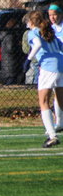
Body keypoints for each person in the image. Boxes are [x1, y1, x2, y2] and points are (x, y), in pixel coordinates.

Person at [24, 10, 63, 148]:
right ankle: (58, 126)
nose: (27, 24)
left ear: (32, 22)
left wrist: (28, 60)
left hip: (48, 67)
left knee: (44, 101)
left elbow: (38, 45)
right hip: (60, 65)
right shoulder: (50, 32)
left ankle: (52, 136)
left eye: (28, 21)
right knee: (60, 101)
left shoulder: (33, 32)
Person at [47, 3, 63, 132]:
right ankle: (59, 122)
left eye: (55, 15)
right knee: (57, 93)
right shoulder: (50, 30)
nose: (52, 17)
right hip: (56, 65)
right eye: (50, 15)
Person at [0, 18, 24, 85]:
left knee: (9, 81)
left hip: (7, 62)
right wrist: (19, 46)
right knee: (11, 81)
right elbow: (10, 48)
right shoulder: (10, 36)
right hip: (11, 62)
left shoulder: (5, 35)